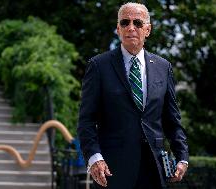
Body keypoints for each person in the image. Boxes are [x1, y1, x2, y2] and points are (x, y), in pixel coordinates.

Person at [77, 2, 188, 189]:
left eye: (137, 23)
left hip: (155, 168)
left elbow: (172, 121)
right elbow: (86, 121)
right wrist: (94, 157)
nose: (131, 28)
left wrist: (182, 157)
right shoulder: (98, 66)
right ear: (118, 29)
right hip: (113, 170)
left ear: (148, 30)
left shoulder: (163, 67)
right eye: (125, 22)